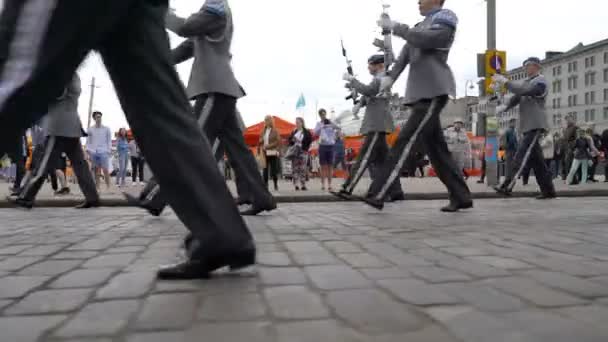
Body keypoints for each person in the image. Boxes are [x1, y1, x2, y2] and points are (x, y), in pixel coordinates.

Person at [0, 0, 257, 280]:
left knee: (17, 68)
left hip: (215, 82)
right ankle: (219, 229)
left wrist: (170, 19)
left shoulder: (216, 8)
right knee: (158, 107)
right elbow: (185, 44)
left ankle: (219, 225)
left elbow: (188, 29)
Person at [366, 0, 472, 212]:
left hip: (433, 89)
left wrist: (397, 28)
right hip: (419, 92)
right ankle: (461, 196)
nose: (418, 1)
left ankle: (379, 192)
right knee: (437, 151)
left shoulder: (445, 17)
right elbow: (405, 55)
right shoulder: (418, 26)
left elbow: (431, 39)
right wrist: (390, 79)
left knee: (404, 141)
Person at [8, 73, 99, 209]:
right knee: (80, 165)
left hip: (58, 127)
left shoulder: (63, 74)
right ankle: (93, 198)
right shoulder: (74, 75)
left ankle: (25, 198)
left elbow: (55, 94)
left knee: (43, 166)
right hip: (71, 126)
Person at [335, 54, 404, 201]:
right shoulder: (379, 78)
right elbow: (371, 95)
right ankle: (396, 191)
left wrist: (352, 80)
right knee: (385, 162)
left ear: (379, 65)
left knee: (363, 159)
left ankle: (347, 188)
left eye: (370, 64)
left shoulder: (382, 77)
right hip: (378, 123)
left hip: (376, 123)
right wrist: (359, 102)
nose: (368, 67)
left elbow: (370, 91)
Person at [492, 57, 556, 199]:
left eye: (528, 66)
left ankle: (507, 185)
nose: (526, 69)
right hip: (527, 125)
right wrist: (504, 107)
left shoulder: (540, 81)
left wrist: (505, 82)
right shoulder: (527, 83)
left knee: (520, 156)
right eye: (525, 66)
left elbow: (526, 90)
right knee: (537, 162)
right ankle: (549, 191)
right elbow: (517, 97)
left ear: (536, 66)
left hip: (535, 124)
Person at [314, 109, 340, 191]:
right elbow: (315, 132)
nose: (323, 116)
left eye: (324, 114)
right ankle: (322, 184)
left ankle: (329, 184)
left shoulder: (330, 122)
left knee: (330, 166)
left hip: (331, 146)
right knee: (323, 166)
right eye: (321, 115)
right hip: (322, 146)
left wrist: (331, 123)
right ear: (319, 115)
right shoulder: (318, 123)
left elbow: (338, 127)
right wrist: (322, 126)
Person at [86, 111, 112, 190]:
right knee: (96, 170)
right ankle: (98, 187)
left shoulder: (106, 129)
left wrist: (108, 150)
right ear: (94, 118)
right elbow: (88, 141)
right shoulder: (90, 129)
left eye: (100, 117)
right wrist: (89, 151)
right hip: (94, 151)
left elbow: (109, 141)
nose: (99, 118)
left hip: (104, 151)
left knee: (105, 169)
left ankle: (108, 187)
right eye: (97, 117)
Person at [288, 117, 312, 191]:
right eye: (296, 122)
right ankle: (296, 184)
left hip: (303, 151)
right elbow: (290, 141)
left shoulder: (306, 132)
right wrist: (293, 140)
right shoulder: (294, 131)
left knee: (303, 168)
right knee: (295, 168)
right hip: (295, 151)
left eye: (298, 122)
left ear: (302, 123)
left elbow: (309, 141)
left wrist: (303, 144)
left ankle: (303, 184)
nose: (297, 124)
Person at [259, 115, 281, 192]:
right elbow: (260, 140)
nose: (265, 121)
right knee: (265, 169)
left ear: (270, 121)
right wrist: (261, 140)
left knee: (273, 170)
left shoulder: (275, 130)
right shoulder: (262, 131)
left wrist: (268, 146)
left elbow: (278, 141)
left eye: (267, 120)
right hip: (264, 152)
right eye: (265, 120)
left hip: (272, 152)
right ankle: (265, 185)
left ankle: (275, 183)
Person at [562, 115, 579, 182]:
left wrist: (575, 147)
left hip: (572, 148)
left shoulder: (575, 127)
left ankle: (573, 179)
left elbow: (577, 138)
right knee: (567, 164)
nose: (567, 121)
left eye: (568, 119)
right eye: (566, 119)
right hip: (567, 148)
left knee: (571, 164)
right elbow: (565, 139)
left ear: (572, 119)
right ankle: (570, 178)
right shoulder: (566, 128)